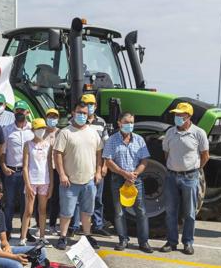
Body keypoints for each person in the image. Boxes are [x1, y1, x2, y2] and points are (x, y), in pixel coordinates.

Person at [161, 102, 210, 255]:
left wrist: (194, 168)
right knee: (170, 211)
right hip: (171, 176)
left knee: (189, 212)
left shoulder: (198, 133)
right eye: (176, 115)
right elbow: (166, 153)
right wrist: (175, 166)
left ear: (188, 116)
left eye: (180, 115)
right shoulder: (170, 132)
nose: (177, 118)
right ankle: (171, 241)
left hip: (190, 177)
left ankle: (188, 242)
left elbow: (205, 156)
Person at [53, 100, 102, 250]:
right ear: (73, 113)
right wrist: (62, 174)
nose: (82, 116)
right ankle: (63, 237)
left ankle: (86, 235)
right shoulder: (65, 132)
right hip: (69, 181)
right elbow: (58, 154)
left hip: (89, 180)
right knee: (67, 212)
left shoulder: (93, 132)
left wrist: (98, 171)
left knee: (87, 211)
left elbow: (99, 153)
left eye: (85, 113)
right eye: (79, 113)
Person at [102, 113, 153, 253]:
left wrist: (135, 174)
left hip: (135, 180)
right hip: (118, 179)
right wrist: (124, 173)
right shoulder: (112, 140)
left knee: (141, 211)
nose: (129, 124)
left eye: (131, 122)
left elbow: (144, 161)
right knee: (119, 212)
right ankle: (123, 240)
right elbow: (108, 161)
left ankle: (144, 242)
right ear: (119, 123)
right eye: (126, 122)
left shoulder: (139, 140)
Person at [1, 100, 35, 240]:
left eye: (22, 110)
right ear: (14, 112)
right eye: (17, 110)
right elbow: (2, 151)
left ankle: (25, 231)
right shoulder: (7, 130)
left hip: (27, 174)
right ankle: (7, 231)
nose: (20, 112)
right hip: (11, 173)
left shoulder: (33, 129)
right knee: (8, 204)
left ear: (27, 112)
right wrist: (3, 166)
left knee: (25, 204)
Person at [20, 118, 53, 247]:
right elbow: (25, 167)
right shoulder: (28, 144)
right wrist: (27, 185)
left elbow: (50, 166)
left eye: (43, 128)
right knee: (28, 210)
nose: (41, 131)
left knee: (43, 210)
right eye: (39, 128)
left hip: (45, 181)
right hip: (32, 181)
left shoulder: (48, 145)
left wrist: (51, 185)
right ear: (33, 130)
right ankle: (23, 237)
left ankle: (42, 236)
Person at [82, 94, 112, 237]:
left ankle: (97, 224)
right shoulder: (77, 121)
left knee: (97, 198)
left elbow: (106, 146)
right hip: (81, 164)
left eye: (91, 104)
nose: (89, 107)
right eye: (86, 104)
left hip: (97, 165)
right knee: (79, 198)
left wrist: (105, 166)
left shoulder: (101, 122)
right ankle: (76, 225)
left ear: (96, 106)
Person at [44, 108, 61, 235]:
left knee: (55, 198)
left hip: (55, 169)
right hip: (42, 169)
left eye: (54, 117)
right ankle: (40, 224)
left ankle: (53, 224)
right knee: (42, 197)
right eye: (50, 117)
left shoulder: (61, 133)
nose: (52, 119)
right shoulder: (40, 132)